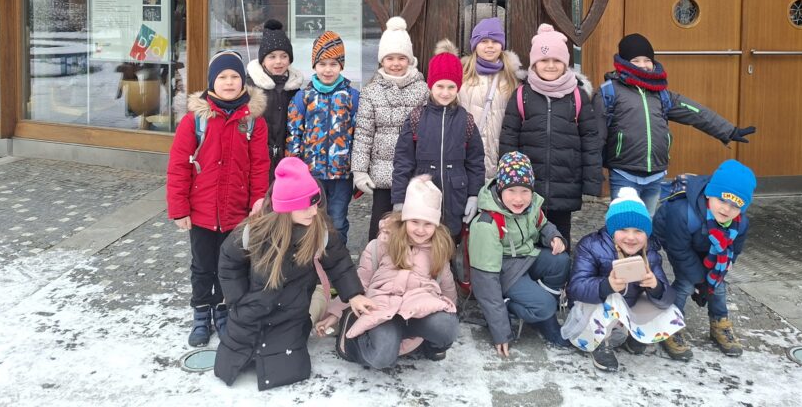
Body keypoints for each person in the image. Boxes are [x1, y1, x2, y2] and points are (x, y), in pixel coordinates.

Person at [213, 157, 375, 390]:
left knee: (287, 368)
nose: (314, 211)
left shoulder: (319, 229)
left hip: (292, 312)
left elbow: (339, 262)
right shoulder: (255, 230)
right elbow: (228, 260)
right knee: (230, 361)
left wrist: (354, 294)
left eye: (315, 203)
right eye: (306, 206)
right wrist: (237, 299)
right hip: (252, 306)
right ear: (286, 207)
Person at [166, 50, 269, 347]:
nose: (229, 82)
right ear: (212, 81)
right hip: (201, 213)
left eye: (235, 76)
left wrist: (258, 202)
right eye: (222, 77)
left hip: (237, 213)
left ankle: (224, 310)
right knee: (202, 266)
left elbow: (259, 166)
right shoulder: (194, 121)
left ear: (243, 81)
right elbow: (178, 167)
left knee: (231, 266)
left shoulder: (253, 122)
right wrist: (179, 209)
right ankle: (201, 313)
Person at [601, 33, 756, 216]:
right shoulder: (610, 91)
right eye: (635, 60)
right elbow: (595, 133)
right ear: (623, 63)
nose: (643, 65)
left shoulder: (661, 93)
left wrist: (728, 130)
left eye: (647, 60)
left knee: (648, 221)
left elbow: (695, 112)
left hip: (655, 174)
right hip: (623, 173)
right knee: (623, 220)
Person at [317, 176, 460, 368]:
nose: (420, 230)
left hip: (417, 311)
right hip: (381, 309)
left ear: (436, 224)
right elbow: (360, 282)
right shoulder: (381, 245)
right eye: (414, 221)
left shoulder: (438, 250)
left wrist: (447, 320)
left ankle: (423, 344)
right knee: (382, 358)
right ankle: (355, 344)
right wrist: (335, 313)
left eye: (428, 224)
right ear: (404, 219)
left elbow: (447, 288)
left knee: (448, 326)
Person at [498, 23, 603, 243]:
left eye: (557, 60)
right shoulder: (522, 95)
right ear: (534, 63)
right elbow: (509, 138)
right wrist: (508, 180)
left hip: (565, 183)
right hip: (528, 185)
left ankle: (560, 265)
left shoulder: (577, 96)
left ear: (565, 64)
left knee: (561, 239)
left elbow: (590, 141)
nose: (551, 65)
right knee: (528, 237)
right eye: (544, 60)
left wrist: (592, 182)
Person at [562, 187, 684, 372]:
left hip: (627, 308)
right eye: (623, 230)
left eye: (638, 231)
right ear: (612, 230)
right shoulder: (591, 245)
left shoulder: (649, 252)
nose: (631, 237)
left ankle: (633, 335)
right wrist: (606, 286)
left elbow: (668, 297)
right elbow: (575, 288)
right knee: (613, 298)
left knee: (667, 308)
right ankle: (601, 343)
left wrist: (656, 286)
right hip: (594, 311)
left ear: (647, 234)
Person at [652, 159, 756, 361]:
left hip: (708, 245)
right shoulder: (682, 212)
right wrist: (700, 281)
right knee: (686, 283)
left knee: (718, 285)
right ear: (709, 193)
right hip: (677, 239)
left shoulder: (740, 224)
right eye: (722, 200)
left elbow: (734, 250)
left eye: (735, 206)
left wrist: (716, 275)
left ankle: (719, 323)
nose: (726, 209)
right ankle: (670, 325)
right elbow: (679, 251)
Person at [469, 151, 570, 356]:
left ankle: (544, 317)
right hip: (504, 271)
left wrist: (554, 236)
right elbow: (484, 282)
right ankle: (513, 308)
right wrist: (500, 330)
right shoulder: (487, 224)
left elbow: (543, 224)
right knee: (545, 305)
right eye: (511, 191)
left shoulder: (530, 207)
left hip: (526, 258)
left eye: (525, 191)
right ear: (500, 189)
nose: (518, 198)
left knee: (561, 261)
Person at [392, 49, 485, 238]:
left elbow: (475, 163)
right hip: (422, 199)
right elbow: (403, 162)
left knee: (450, 242)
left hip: (456, 199)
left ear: (458, 87)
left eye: (451, 87)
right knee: (422, 244)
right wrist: (399, 199)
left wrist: (474, 195)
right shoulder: (416, 118)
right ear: (430, 85)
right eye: (440, 86)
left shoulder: (466, 120)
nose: (445, 92)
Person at [352, 17, 429, 241]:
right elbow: (364, 134)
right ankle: (375, 260)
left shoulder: (422, 90)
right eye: (390, 58)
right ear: (382, 60)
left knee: (411, 228)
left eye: (401, 58)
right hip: (382, 172)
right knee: (380, 229)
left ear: (410, 60)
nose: (396, 63)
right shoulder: (371, 91)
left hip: (413, 171)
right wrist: (359, 171)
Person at [286, 31, 360, 244]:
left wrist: (358, 169)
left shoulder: (352, 97)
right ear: (314, 65)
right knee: (312, 219)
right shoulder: (303, 98)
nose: (328, 70)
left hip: (342, 174)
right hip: (311, 174)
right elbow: (294, 135)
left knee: (337, 219)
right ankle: (312, 257)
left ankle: (337, 257)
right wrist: (295, 170)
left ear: (341, 66)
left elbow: (360, 135)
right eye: (322, 64)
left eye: (334, 64)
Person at [439, 17, 521, 181]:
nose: (490, 46)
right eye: (484, 41)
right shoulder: (462, 76)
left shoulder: (512, 78)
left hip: (500, 157)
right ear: (475, 44)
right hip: (468, 158)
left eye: (495, 41)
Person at [246, 19, 304, 184]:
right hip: (258, 160)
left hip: (286, 160)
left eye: (284, 56)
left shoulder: (294, 89)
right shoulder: (250, 88)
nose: (278, 61)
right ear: (262, 60)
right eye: (272, 57)